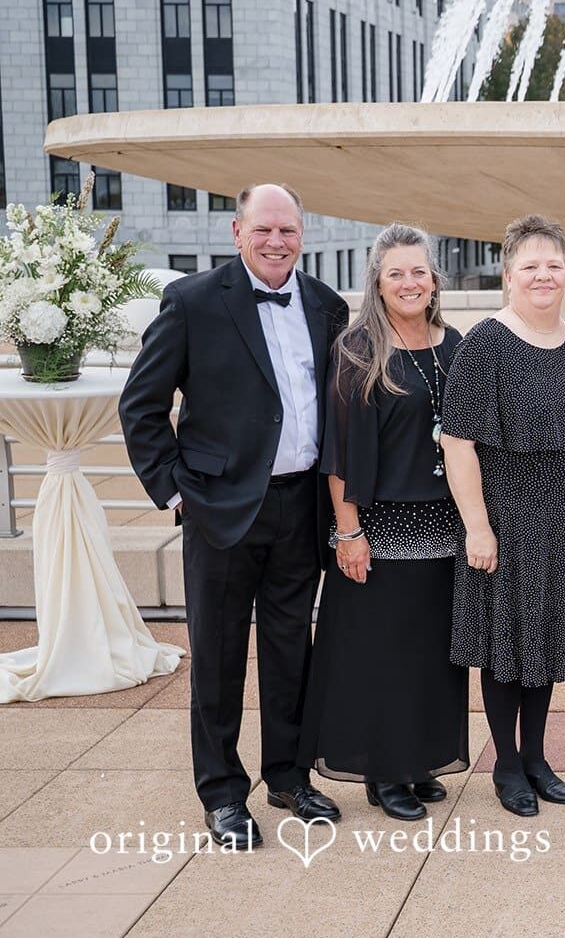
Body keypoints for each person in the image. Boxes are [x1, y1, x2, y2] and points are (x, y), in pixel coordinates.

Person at [119, 183, 347, 848]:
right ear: (236, 231)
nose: (276, 241)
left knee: (289, 652)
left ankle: (288, 775)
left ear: (302, 234)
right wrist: (174, 490)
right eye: (264, 229)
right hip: (220, 508)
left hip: (300, 505)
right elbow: (142, 404)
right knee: (217, 658)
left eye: (288, 230)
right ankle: (221, 793)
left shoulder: (326, 305)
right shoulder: (192, 301)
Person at [297, 224, 470, 821]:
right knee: (381, 654)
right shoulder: (357, 350)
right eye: (396, 272)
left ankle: (418, 759)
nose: (409, 282)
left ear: (434, 278)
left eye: (418, 271)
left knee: (430, 653)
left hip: (443, 525)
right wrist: (348, 531)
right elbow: (337, 452)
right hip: (380, 527)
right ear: (377, 280)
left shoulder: (455, 346)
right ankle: (382, 771)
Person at [441, 215, 565, 818]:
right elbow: (458, 444)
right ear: (508, 275)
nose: (542, 275)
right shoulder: (485, 342)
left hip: (564, 519)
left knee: (548, 643)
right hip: (505, 522)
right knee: (508, 647)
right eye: (529, 265)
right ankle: (506, 764)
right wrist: (478, 527)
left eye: (552, 265)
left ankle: (537, 758)